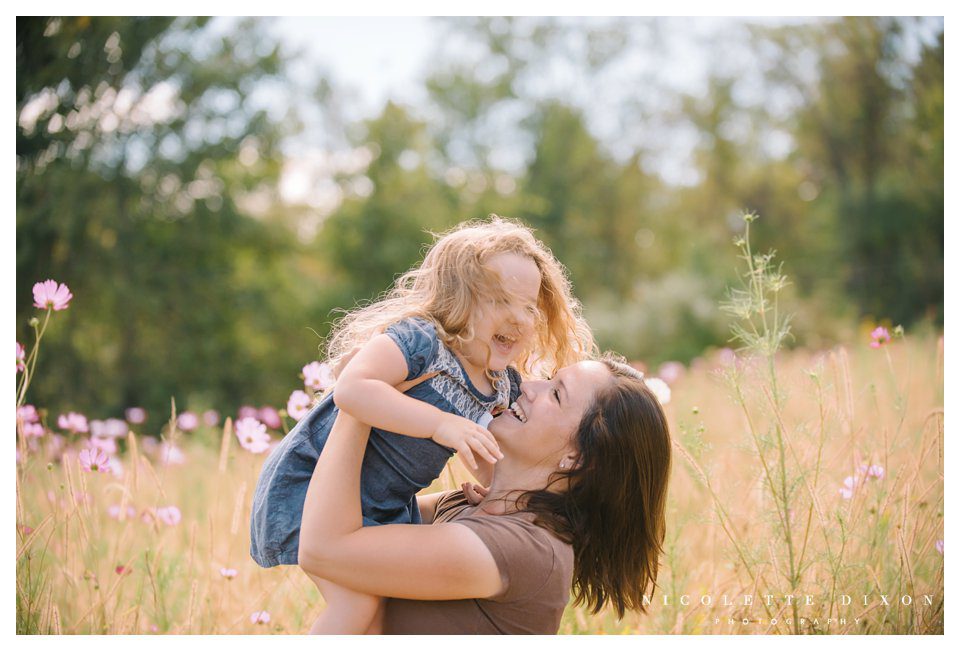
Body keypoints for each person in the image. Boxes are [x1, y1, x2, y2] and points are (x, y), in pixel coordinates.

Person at [250, 217, 596, 633]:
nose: (520, 318)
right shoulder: (421, 342)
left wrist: (493, 494)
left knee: (373, 611)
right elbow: (351, 390)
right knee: (360, 606)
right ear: (459, 298)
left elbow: (489, 450)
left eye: (528, 306)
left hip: (382, 505)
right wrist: (438, 423)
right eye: (502, 300)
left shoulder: (500, 380)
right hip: (316, 482)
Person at [298, 356, 672, 634]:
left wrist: (362, 399)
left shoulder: (525, 551)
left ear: (576, 459)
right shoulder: (469, 506)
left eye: (555, 394)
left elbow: (324, 549)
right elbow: (343, 518)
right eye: (547, 378)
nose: (528, 385)